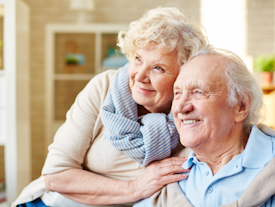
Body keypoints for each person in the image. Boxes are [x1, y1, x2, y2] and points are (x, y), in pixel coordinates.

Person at [12, 6, 208, 207]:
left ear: (183, 76)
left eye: (158, 68)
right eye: (138, 59)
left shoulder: (191, 116)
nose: (140, 76)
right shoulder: (104, 87)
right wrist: (136, 187)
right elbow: (55, 175)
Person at [134, 48, 275, 207]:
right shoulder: (167, 175)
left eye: (198, 92)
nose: (180, 107)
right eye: (178, 93)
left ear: (241, 106)